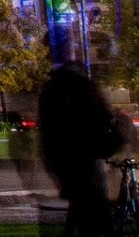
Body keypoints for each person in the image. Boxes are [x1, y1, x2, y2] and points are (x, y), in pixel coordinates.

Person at [37, 64, 123, 237]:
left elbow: (47, 135)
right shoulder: (85, 91)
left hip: (65, 162)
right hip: (87, 161)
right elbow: (106, 118)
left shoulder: (51, 94)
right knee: (96, 212)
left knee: (82, 209)